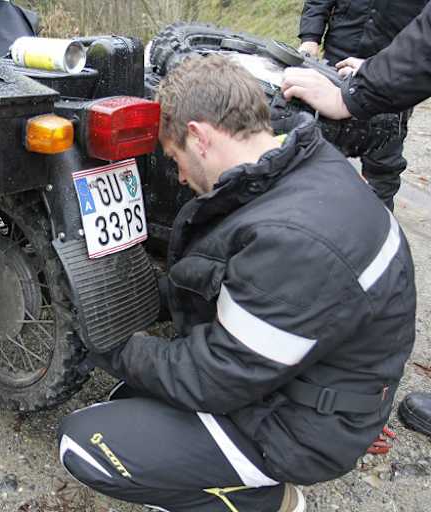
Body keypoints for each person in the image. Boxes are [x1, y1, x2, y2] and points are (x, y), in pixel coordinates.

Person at [57, 54, 416, 512]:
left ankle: (269, 500)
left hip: (306, 429)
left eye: (175, 159)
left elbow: (209, 379)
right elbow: (224, 288)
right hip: (312, 378)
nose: (181, 178)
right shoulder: (309, 166)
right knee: (126, 397)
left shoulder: (292, 242)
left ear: (200, 137)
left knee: (85, 444)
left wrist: (110, 345)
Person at [284, 2, 431, 441]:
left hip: (387, 76)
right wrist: (311, 38)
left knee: (381, 172)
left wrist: (376, 78)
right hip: (340, 62)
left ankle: (372, 255)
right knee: (316, 166)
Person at [296, 0, 428, 210]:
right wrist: (310, 36)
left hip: (394, 70)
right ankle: (313, 214)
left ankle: (377, 226)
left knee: (383, 160)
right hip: (338, 60)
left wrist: (387, 68)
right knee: (320, 146)